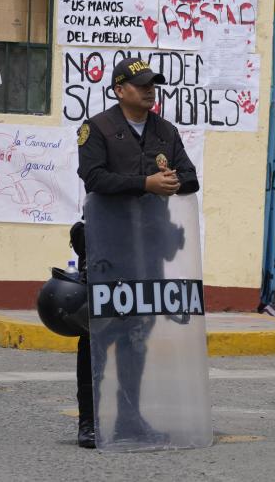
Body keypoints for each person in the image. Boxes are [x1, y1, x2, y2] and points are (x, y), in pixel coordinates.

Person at [74, 58, 199, 448]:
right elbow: (93, 177)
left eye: (153, 84)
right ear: (119, 90)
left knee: (136, 335)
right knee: (97, 334)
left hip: (149, 250)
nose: (149, 90)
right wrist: (144, 183)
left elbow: (190, 177)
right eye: (141, 84)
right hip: (108, 249)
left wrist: (172, 181)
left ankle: (129, 418)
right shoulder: (97, 128)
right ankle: (90, 421)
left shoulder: (165, 130)